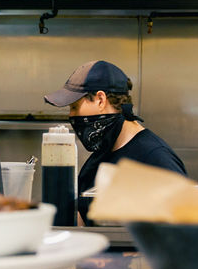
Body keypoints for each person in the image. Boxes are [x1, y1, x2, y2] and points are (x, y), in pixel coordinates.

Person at [44, 60, 186, 224]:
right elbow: (84, 219)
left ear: (100, 100)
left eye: (75, 107)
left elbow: (183, 229)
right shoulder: (101, 154)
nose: (71, 116)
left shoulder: (155, 158)